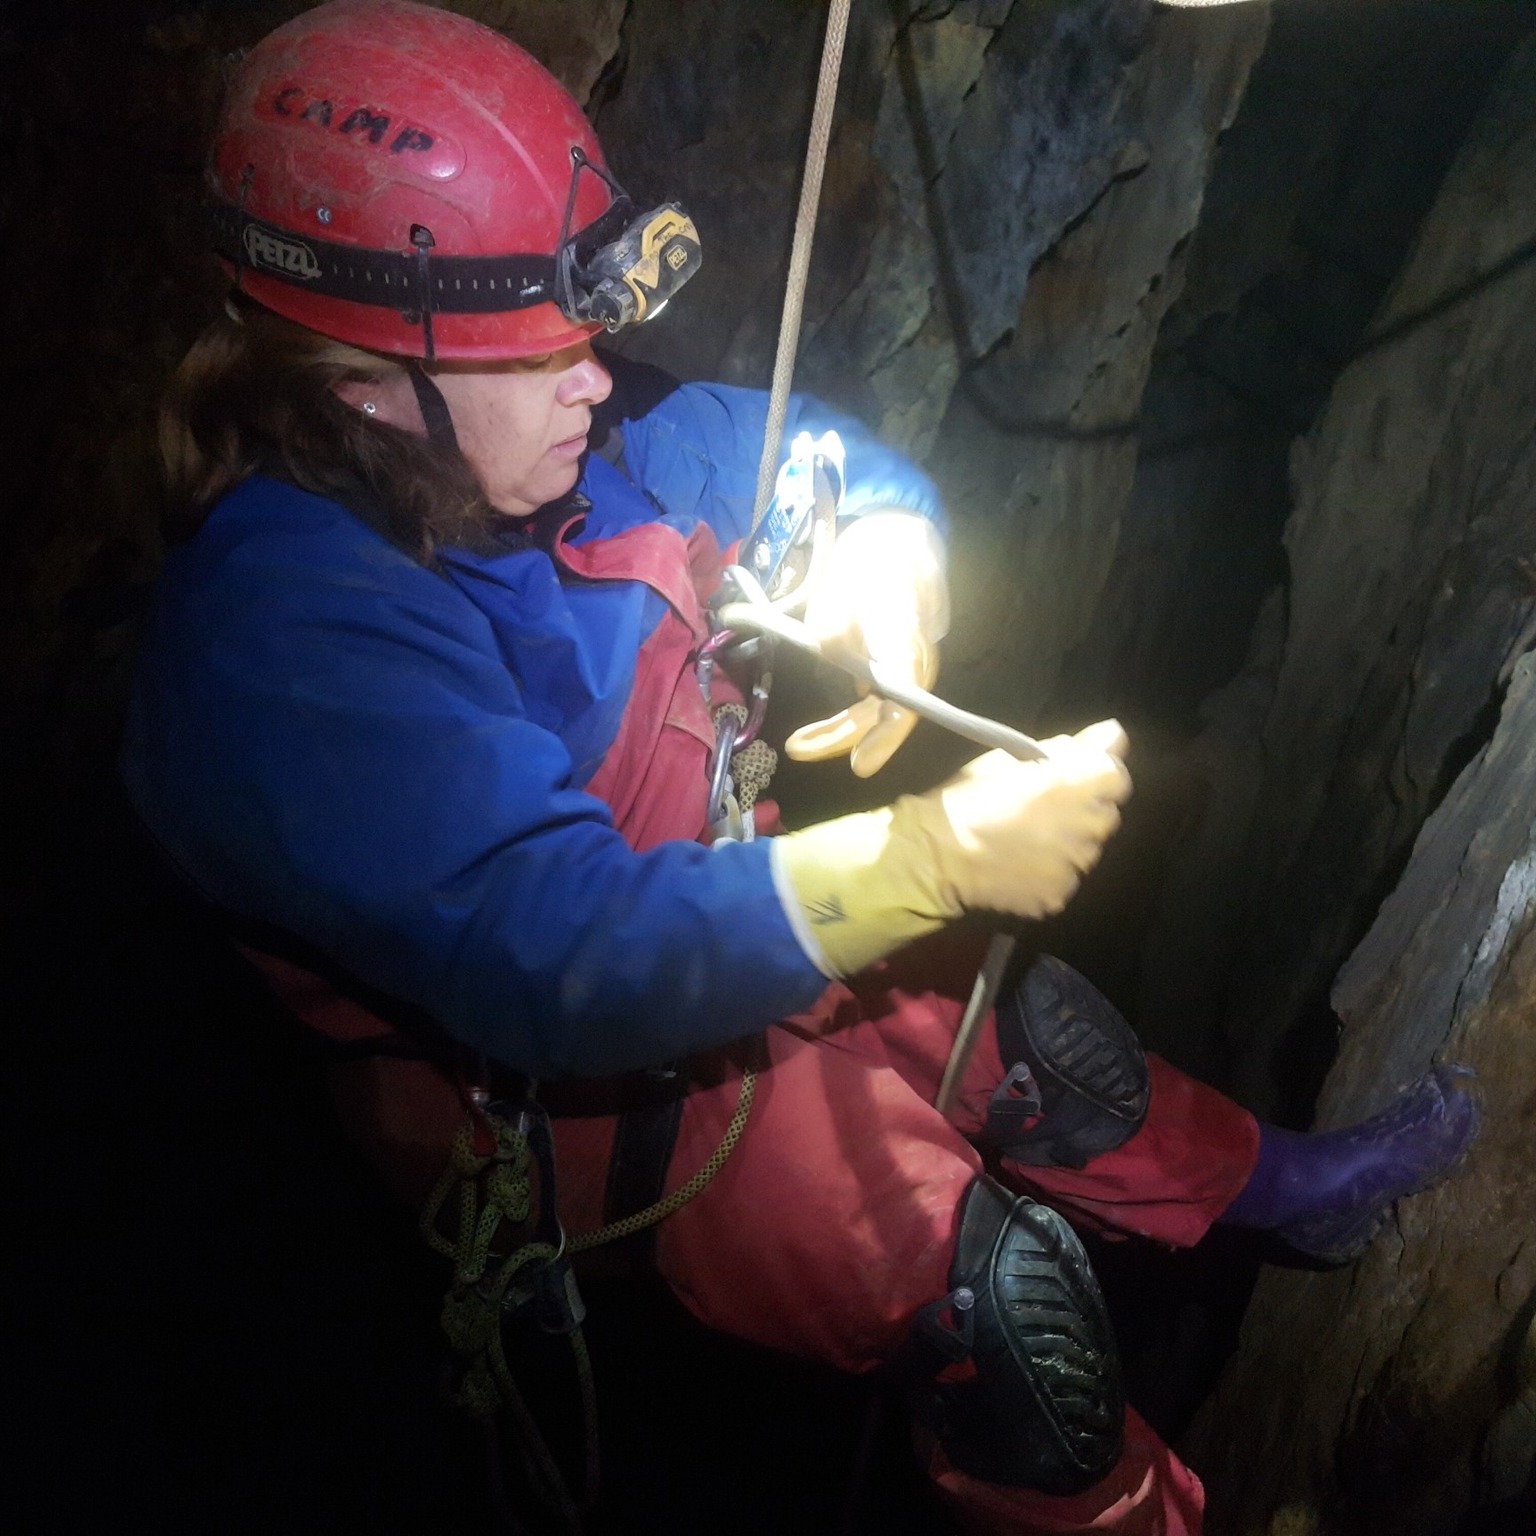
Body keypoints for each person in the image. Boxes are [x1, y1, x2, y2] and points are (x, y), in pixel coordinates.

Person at [122, 4, 1480, 1532]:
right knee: (994, 1310)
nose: (595, 381)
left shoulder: (541, 453)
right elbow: (556, 953)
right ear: (364, 384)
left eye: (586, 339)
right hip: (581, 1100)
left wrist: (889, 551)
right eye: (542, 355)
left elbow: (782, 445)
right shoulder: (280, 654)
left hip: (720, 919)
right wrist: (924, 860)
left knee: (1040, 1038)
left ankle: (1288, 1194)